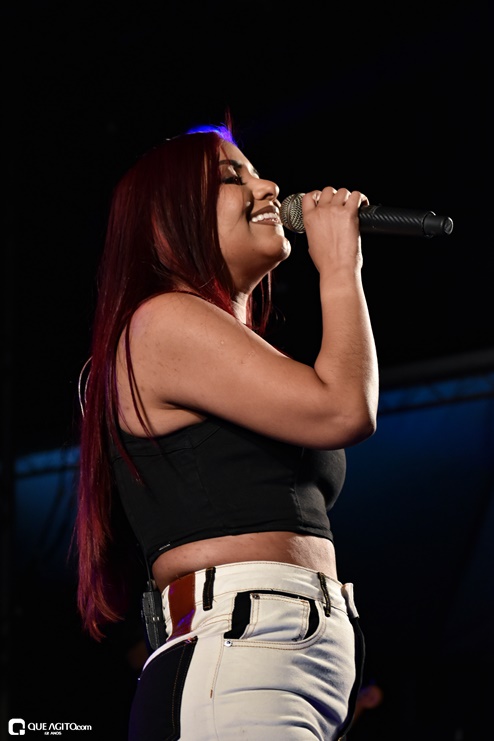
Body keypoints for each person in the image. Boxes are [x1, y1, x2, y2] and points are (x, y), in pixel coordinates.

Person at [75, 116, 379, 741]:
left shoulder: (217, 345)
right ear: (168, 220)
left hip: (292, 652)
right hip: (243, 652)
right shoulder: (159, 323)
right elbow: (345, 408)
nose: (268, 187)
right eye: (231, 177)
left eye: (256, 172)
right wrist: (339, 268)